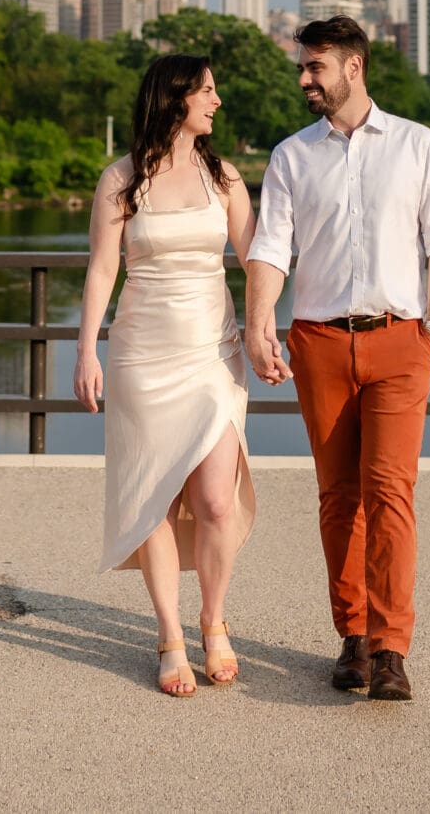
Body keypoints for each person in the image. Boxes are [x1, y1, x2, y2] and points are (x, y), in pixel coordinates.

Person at [244, 16, 430, 704]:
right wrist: (259, 324)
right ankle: (352, 637)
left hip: (401, 340)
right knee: (339, 496)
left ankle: (391, 647)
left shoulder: (417, 145)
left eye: (316, 67)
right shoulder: (290, 157)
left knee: (390, 492)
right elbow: (271, 249)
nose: (306, 79)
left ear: (354, 66)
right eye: (303, 68)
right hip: (319, 342)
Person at [73, 53, 258, 699]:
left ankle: (213, 617)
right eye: (208, 90)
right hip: (141, 358)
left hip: (213, 354)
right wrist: (86, 349)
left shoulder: (226, 178)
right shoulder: (121, 179)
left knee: (213, 498)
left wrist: (264, 327)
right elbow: (102, 269)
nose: (217, 100)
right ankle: (169, 635)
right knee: (152, 498)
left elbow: (256, 258)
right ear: (177, 98)